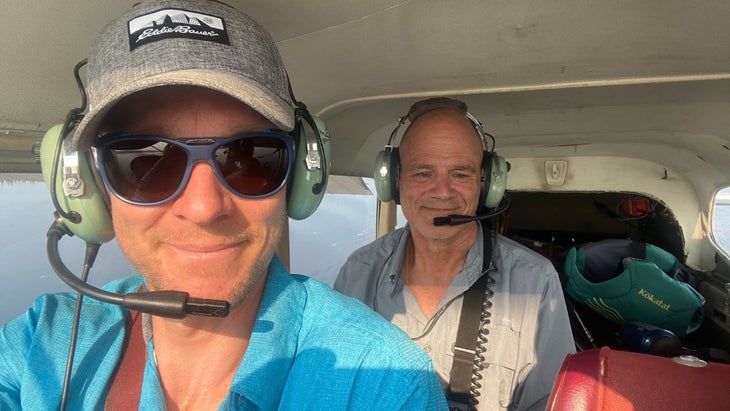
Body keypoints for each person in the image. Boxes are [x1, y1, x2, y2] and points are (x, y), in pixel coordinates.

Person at [0, 1, 448, 410]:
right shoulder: (40, 344)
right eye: (145, 162)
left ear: (300, 176)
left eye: (250, 157)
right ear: (86, 185)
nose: (202, 207)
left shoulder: (380, 383)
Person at [334, 97, 575, 411]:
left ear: (486, 183)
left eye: (461, 174)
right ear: (393, 180)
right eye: (423, 173)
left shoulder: (535, 282)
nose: (443, 192)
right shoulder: (358, 273)